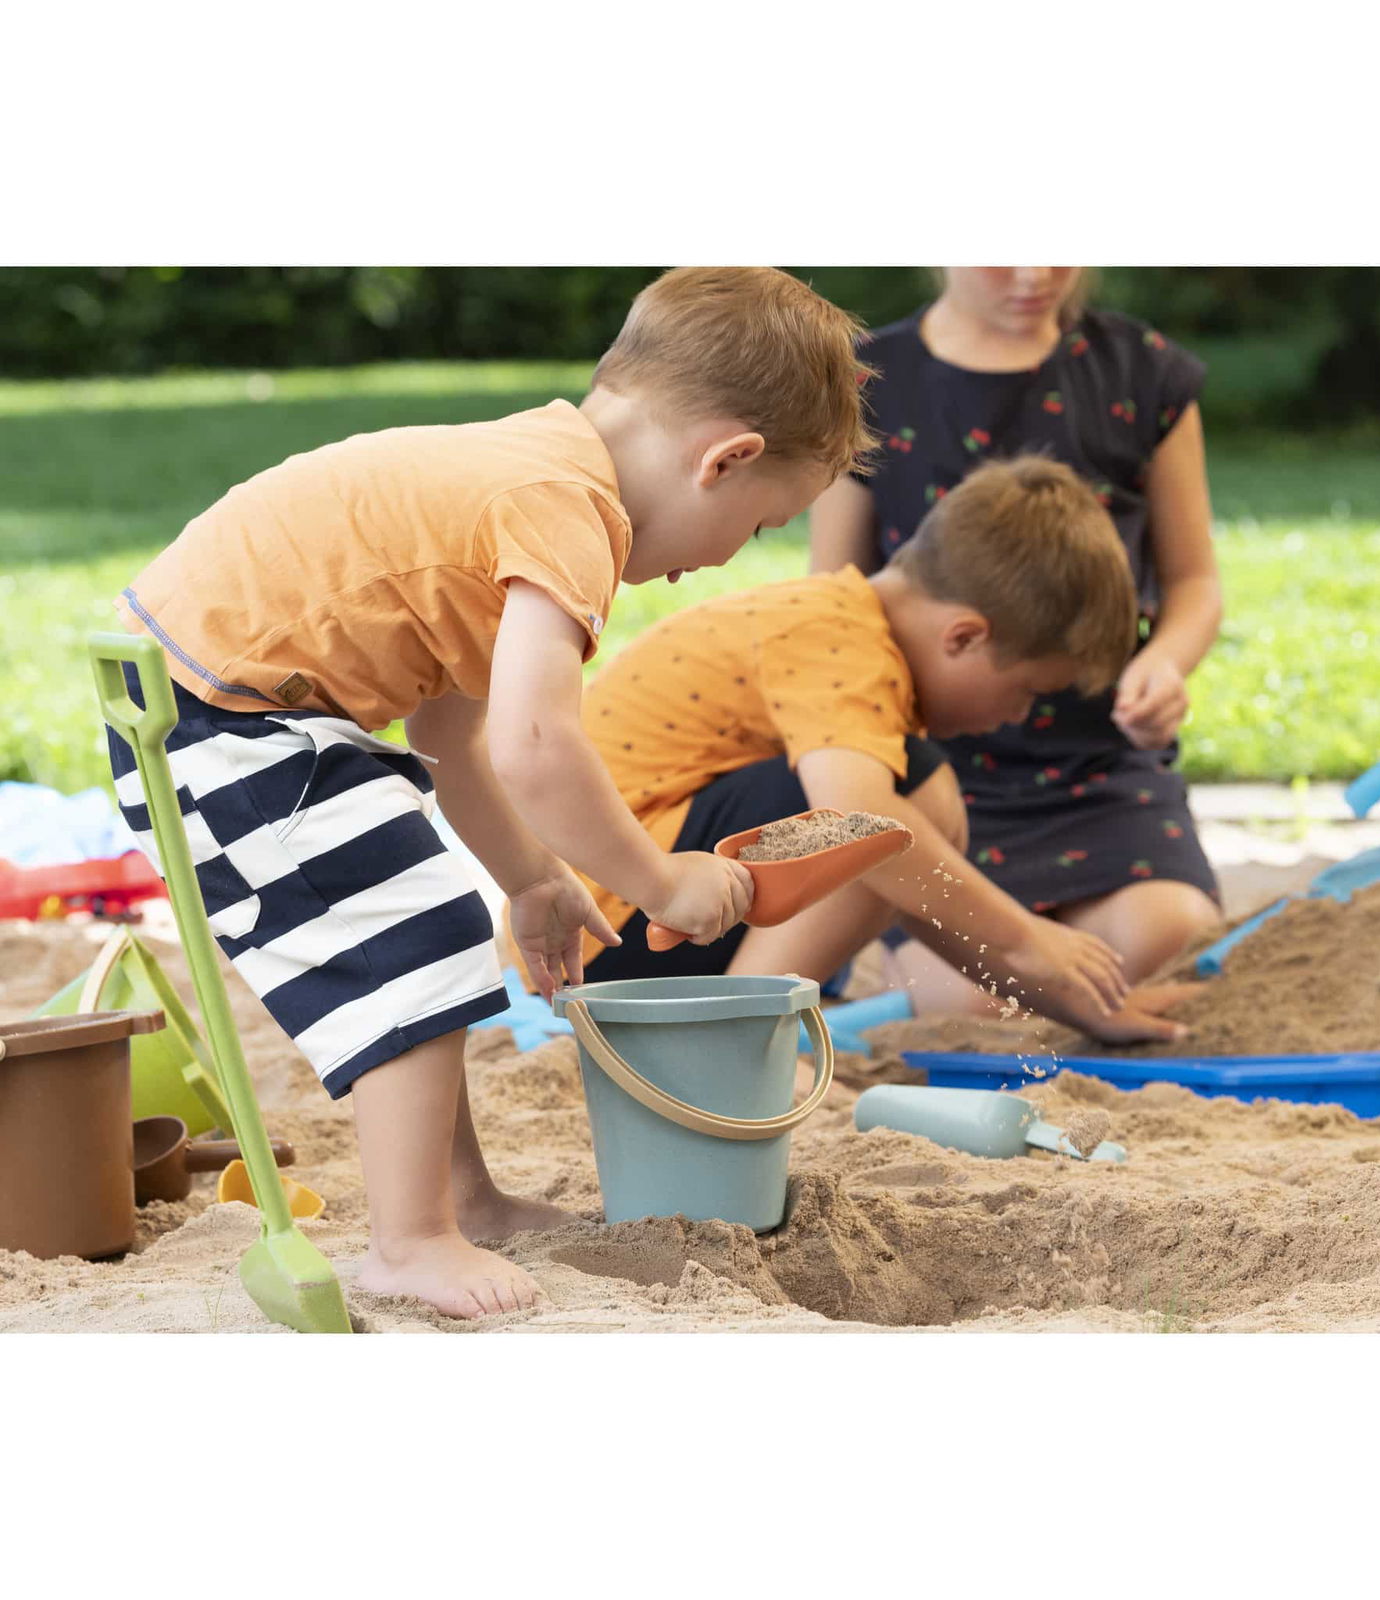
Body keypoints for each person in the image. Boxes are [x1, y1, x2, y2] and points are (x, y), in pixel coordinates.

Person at [104, 267, 868, 1319]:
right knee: (414, 933)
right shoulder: (570, 511)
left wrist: (533, 878)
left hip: (209, 701)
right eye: (762, 523)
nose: (732, 555)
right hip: (211, 720)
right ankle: (410, 1241)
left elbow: (451, 735)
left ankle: (457, 1202)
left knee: (428, 922)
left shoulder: (535, 467)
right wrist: (659, 882)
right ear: (725, 459)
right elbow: (535, 743)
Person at [549, 455, 1187, 1045]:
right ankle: (744, 1036)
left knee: (912, 819)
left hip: (648, 918)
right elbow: (863, 821)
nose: (1017, 717)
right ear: (964, 637)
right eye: (1028, 693)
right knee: (900, 808)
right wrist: (1027, 938)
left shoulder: (851, 636)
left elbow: (922, 895)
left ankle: (746, 1025)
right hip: (621, 925)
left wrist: (1079, 1003)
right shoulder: (839, 635)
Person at [809, 267, 1224, 1013]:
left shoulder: (1141, 372)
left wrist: (1164, 664)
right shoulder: (865, 384)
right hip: (939, 771)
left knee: (1171, 934)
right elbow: (834, 601)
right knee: (977, 1002)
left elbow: (1194, 581)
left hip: (1101, 764)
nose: (1037, 273)